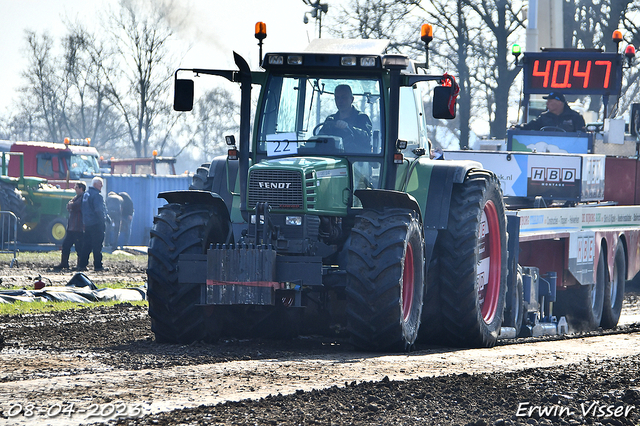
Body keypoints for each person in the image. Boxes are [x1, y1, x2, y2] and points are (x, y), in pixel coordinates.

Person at [318, 84, 373, 151]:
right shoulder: (330, 119)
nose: (340, 101)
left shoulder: (362, 118)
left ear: (352, 99)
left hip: (354, 159)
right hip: (332, 157)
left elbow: (366, 138)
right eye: (337, 98)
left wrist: (348, 127)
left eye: (343, 97)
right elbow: (319, 139)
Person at [53, 182, 86, 271]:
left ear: (81, 188)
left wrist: (70, 204)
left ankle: (80, 264)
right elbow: (69, 205)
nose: (75, 189)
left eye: (76, 187)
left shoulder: (83, 198)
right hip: (72, 227)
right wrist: (70, 204)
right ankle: (64, 263)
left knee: (79, 247)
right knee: (66, 245)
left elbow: (73, 206)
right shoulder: (77, 198)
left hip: (78, 227)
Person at [78, 177, 108, 272]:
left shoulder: (86, 194)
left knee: (86, 245)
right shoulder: (97, 196)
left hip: (87, 224)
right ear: (95, 184)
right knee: (97, 245)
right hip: (96, 224)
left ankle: (82, 265)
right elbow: (98, 210)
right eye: (100, 185)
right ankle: (98, 266)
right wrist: (103, 221)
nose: (101, 187)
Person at [518, 92, 586, 132]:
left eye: (550, 101)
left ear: (559, 103)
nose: (547, 103)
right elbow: (530, 126)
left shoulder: (575, 117)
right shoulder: (543, 117)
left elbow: (582, 135)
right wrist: (518, 127)